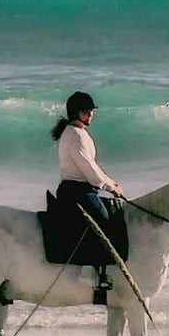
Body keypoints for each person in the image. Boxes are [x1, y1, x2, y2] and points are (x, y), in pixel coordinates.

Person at [51, 91, 123, 303]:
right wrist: (111, 187)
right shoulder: (75, 135)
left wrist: (110, 183)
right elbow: (89, 169)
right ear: (75, 113)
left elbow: (93, 168)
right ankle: (93, 273)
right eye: (86, 111)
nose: (90, 114)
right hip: (76, 190)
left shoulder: (76, 132)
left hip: (80, 188)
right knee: (104, 220)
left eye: (91, 111)